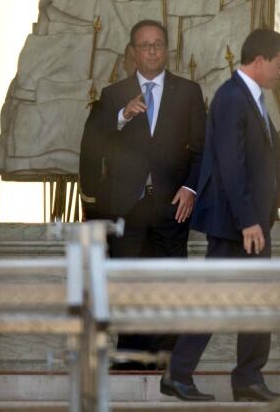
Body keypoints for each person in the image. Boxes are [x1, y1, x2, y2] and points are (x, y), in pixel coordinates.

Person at [160, 28, 280, 402]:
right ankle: (179, 374)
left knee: (256, 300)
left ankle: (247, 377)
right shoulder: (232, 98)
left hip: (250, 222)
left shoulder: (251, 98)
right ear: (260, 60)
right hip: (238, 224)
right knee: (216, 297)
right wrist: (249, 220)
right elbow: (231, 166)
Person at [79, 19, 206, 367]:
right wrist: (122, 115)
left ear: (167, 50)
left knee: (169, 283)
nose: (152, 50)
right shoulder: (113, 94)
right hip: (127, 206)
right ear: (133, 53)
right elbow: (93, 142)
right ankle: (132, 360)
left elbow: (201, 148)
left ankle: (167, 362)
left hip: (171, 206)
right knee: (128, 282)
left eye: (158, 44)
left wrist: (191, 187)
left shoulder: (188, 92)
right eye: (144, 45)